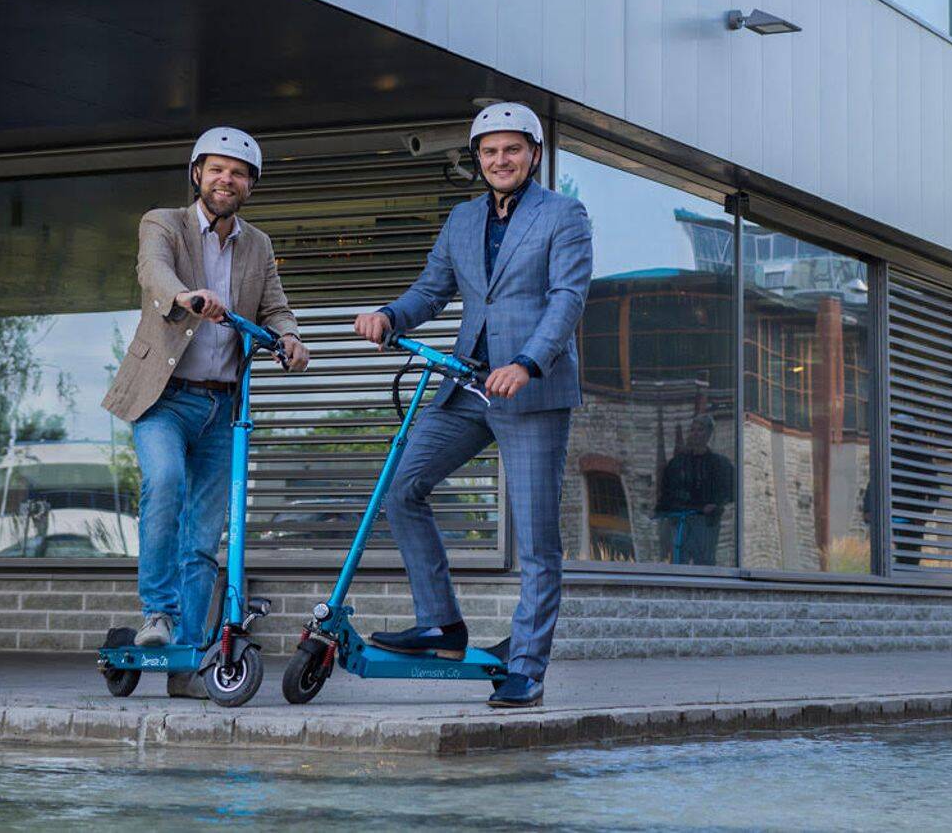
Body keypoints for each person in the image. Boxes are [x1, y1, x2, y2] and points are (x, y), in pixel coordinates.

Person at [353, 102, 592, 709]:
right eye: (489, 151)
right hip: (465, 384)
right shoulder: (462, 219)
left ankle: (528, 666)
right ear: (477, 159)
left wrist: (528, 362)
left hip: (532, 389)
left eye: (511, 149)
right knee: (401, 488)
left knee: (537, 539)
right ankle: (441, 625)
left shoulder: (563, 215)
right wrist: (388, 315)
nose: (500, 160)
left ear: (533, 154)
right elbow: (432, 290)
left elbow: (567, 298)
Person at [99, 127, 308, 695]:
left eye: (238, 173)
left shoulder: (257, 245)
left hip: (223, 406)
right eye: (217, 169)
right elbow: (154, 273)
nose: (227, 180)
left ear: (250, 186)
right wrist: (189, 296)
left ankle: (189, 655)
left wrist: (289, 338)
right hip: (163, 398)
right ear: (197, 174)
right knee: (164, 482)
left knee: (205, 534)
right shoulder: (162, 223)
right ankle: (159, 615)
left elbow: (275, 306)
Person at [655, 416, 735, 566]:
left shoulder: (720, 464)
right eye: (693, 430)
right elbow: (666, 491)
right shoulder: (678, 463)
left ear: (709, 433)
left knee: (704, 562)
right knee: (679, 560)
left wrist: (715, 504)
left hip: (705, 523)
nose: (696, 434)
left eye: (700, 430)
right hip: (681, 520)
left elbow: (730, 490)